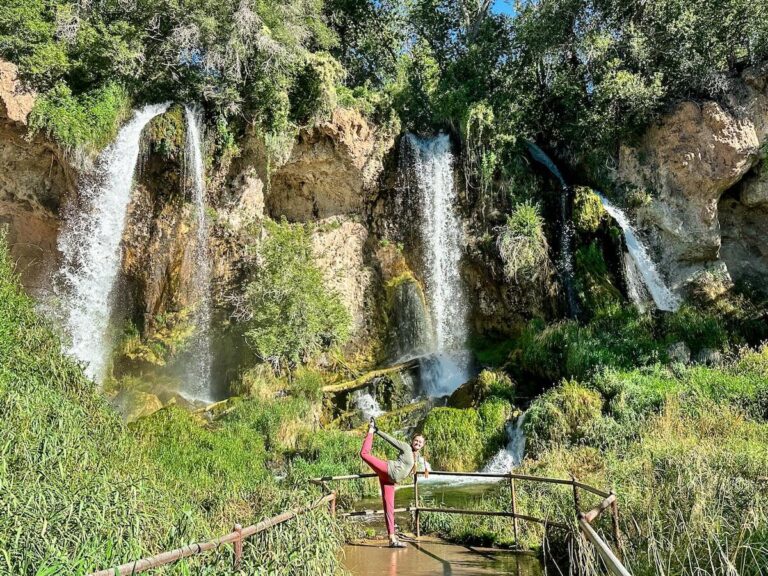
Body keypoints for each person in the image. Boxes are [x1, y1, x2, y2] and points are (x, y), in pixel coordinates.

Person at [360, 418, 430, 548]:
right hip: (387, 469)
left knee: (389, 508)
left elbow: (407, 468)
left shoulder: (416, 456)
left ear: (423, 445)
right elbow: (391, 440)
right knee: (364, 454)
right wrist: (376, 431)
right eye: (416, 440)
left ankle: (392, 539)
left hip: (390, 481)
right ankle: (370, 430)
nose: (418, 443)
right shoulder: (406, 447)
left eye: (420, 442)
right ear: (412, 441)